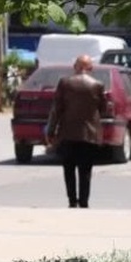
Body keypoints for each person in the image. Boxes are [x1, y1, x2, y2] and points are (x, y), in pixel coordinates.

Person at [47, 55, 107, 208]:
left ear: (75, 66)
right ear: (91, 68)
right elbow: (103, 109)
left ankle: (72, 200)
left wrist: (51, 130)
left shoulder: (65, 83)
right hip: (89, 134)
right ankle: (84, 201)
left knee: (69, 168)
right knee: (85, 170)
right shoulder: (98, 85)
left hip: (68, 133)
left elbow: (56, 109)